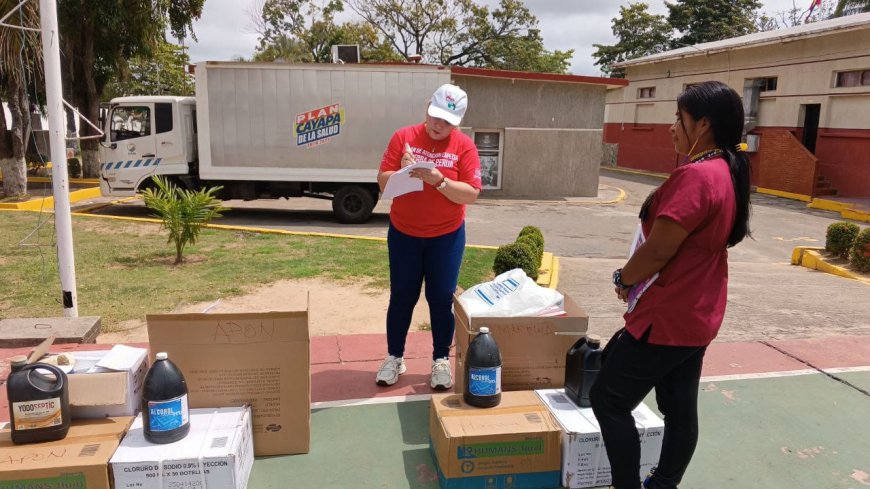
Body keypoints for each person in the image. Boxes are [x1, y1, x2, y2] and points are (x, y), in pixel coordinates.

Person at [590, 81, 752, 489]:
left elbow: (660, 250)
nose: (671, 127)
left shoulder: (697, 177)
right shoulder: (726, 172)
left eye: (678, 118)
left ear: (703, 125)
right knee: (679, 410)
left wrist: (623, 277)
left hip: (666, 318)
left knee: (608, 400)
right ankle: (663, 484)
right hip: (698, 315)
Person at [375, 84, 482, 390]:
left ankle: (440, 360)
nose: (438, 125)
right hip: (404, 234)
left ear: (458, 122)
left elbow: (471, 194)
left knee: (440, 298)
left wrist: (439, 180)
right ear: (427, 107)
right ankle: (394, 356)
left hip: (446, 237)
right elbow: (382, 182)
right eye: (435, 116)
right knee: (402, 296)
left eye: (447, 121)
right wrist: (400, 173)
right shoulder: (403, 137)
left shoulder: (464, 146)